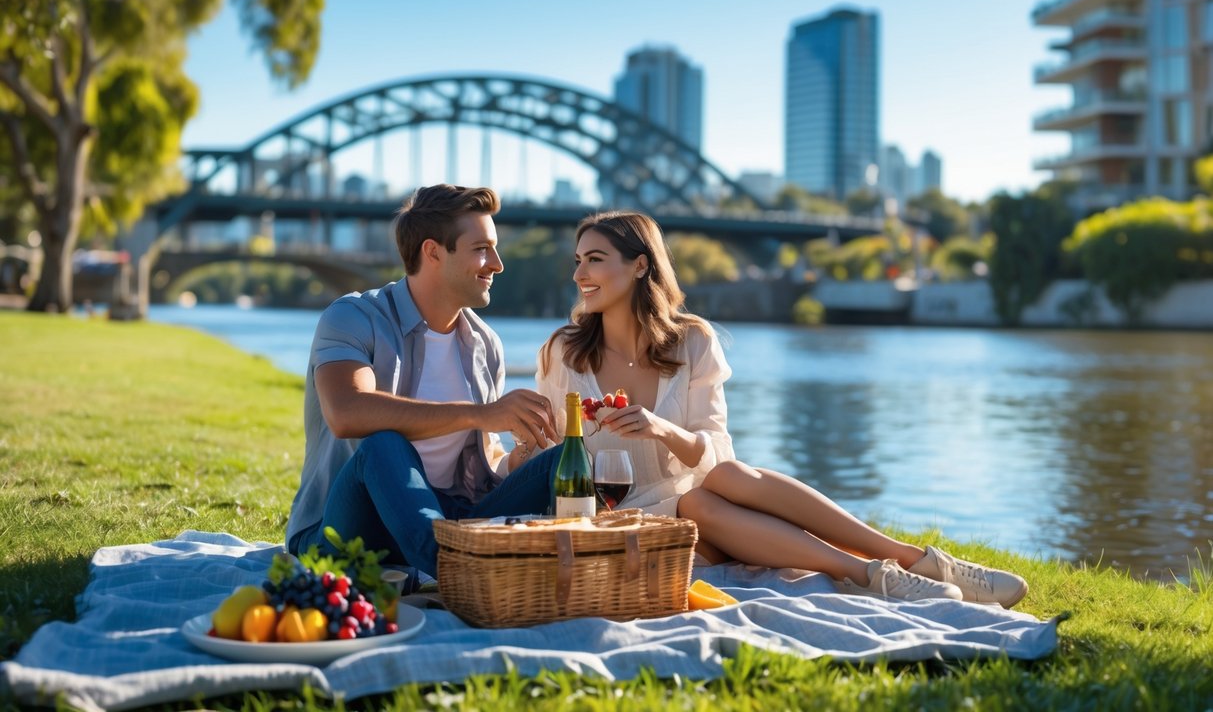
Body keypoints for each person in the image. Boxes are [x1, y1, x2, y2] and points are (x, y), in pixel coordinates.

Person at [536, 211, 1028, 607]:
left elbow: (716, 452)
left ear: (640, 265)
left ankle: (913, 560)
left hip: (706, 510)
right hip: (622, 524)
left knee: (719, 482)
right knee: (696, 503)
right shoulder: (564, 352)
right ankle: (873, 575)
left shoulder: (693, 342)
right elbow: (541, 456)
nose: (579, 274)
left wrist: (662, 430)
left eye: (594, 259)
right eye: (578, 261)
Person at [285, 184, 561, 580]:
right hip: (348, 530)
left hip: (448, 519)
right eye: (482, 248)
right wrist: (481, 414)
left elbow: (485, 459)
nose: (497, 263)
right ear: (432, 252)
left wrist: (520, 456)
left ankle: (593, 564)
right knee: (383, 444)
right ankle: (460, 574)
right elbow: (346, 412)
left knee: (566, 459)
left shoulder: (486, 344)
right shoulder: (352, 317)